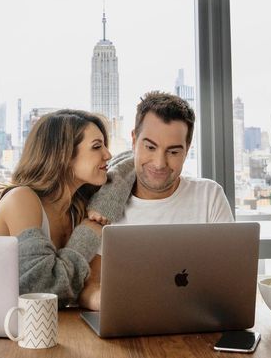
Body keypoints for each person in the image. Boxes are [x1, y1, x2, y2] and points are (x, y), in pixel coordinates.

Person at [81, 91, 234, 310]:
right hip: (128, 322)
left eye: (173, 151)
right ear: (134, 141)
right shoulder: (104, 205)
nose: (159, 163)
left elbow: (230, 279)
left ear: (187, 150)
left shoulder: (210, 196)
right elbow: (90, 285)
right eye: (150, 147)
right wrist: (113, 303)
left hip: (198, 324)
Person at [0, 109, 114, 308]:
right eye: (96, 147)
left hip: (49, 329)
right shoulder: (21, 200)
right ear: (64, 155)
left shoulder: (78, 207)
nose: (107, 155)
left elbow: (127, 167)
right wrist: (86, 236)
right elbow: (43, 290)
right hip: (0, 329)